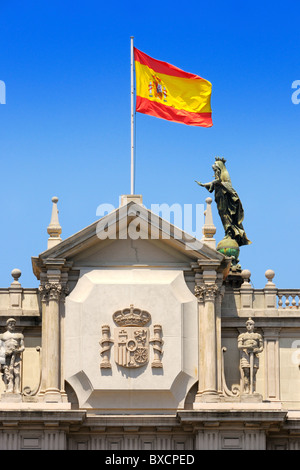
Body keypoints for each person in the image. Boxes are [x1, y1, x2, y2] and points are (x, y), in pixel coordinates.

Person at [195, 157, 251, 246]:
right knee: (223, 216)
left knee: (227, 216)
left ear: (220, 167)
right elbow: (214, 183)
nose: (214, 171)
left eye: (215, 169)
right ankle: (227, 232)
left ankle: (229, 233)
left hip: (226, 200)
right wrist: (203, 184)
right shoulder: (218, 176)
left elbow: (227, 185)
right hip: (220, 199)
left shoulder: (225, 174)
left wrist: (215, 182)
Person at [237, 318, 263, 394]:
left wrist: (257, 350)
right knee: (246, 372)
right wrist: (248, 346)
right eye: (247, 325)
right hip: (245, 355)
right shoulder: (242, 335)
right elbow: (239, 346)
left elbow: (261, 347)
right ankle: (246, 389)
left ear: (253, 326)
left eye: (250, 324)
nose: (249, 326)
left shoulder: (258, 336)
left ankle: (253, 389)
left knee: (253, 373)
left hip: (255, 355)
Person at [0, 318, 25, 394]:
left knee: (16, 372)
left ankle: (17, 388)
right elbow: (0, 347)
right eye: (10, 323)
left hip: (16, 356)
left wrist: (18, 351)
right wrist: (5, 353)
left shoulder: (19, 335)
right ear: (7, 325)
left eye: (13, 323)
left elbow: (23, 347)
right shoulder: (2, 336)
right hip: (6, 357)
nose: (12, 325)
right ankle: (8, 388)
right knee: (7, 372)